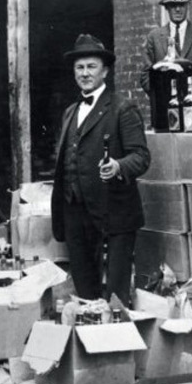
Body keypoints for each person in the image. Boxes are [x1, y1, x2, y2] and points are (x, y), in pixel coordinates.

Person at [52, 34, 151, 307]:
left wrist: (118, 165)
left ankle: (117, 343)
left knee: (116, 296)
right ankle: (89, 341)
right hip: (75, 210)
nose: (85, 73)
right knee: (85, 289)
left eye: (91, 66)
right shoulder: (70, 111)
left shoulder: (122, 108)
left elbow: (141, 157)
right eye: (79, 67)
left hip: (113, 211)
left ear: (105, 70)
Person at [140, 0, 192, 96]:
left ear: (187, 5)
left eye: (182, 5)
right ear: (166, 8)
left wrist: (189, 87)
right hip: (165, 105)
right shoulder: (154, 37)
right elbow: (145, 76)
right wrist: (162, 91)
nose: (177, 9)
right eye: (173, 5)